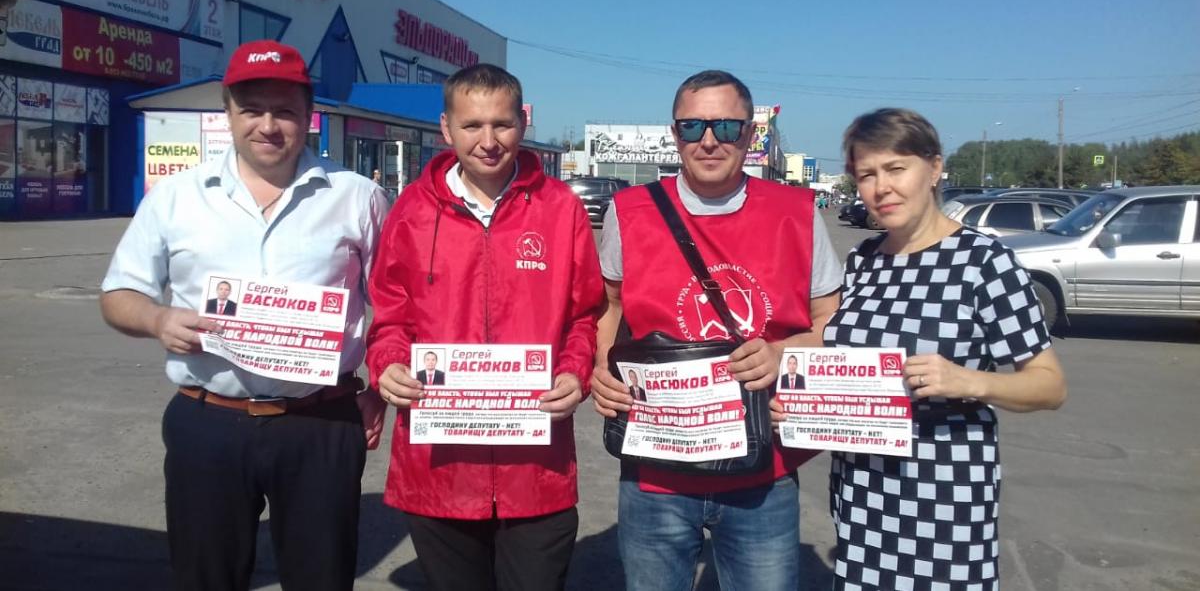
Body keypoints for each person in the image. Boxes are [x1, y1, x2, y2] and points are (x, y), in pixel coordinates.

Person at [99, 39, 390, 591]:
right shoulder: (176, 197)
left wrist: (379, 389)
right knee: (205, 576)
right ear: (228, 112)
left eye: (284, 111)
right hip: (207, 419)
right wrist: (158, 320)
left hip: (320, 422)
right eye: (252, 109)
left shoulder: (358, 197)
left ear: (309, 115)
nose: (268, 126)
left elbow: (396, 306)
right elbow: (119, 294)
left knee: (322, 578)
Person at [590, 70, 843, 591]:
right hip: (655, 471)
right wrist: (601, 370)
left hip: (763, 474)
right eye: (693, 126)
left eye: (726, 126)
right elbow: (608, 307)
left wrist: (784, 352)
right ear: (674, 133)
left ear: (749, 134)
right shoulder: (629, 211)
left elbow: (833, 321)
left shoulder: (796, 213)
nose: (709, 140)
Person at [367, 64, 604, 591]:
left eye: (502, 124)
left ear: (523, 123)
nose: (489, 141)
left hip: (536, 468)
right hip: (439, 468)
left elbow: (584, 315)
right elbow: (389, 316)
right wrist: (389, 366)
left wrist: (574, 373)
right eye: (472, 125)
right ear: (446, 128)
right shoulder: (411, 210)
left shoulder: (560, 209)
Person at [823, 108, 1067, 590]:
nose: (881, 187)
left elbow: (1049, 385)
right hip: (860, 490)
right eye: (867, 175)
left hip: (944, 497)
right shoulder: (862, 261)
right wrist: (806, 405)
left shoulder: (984, 261)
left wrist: (969, 380)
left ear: (934, 168)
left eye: (896, 169)